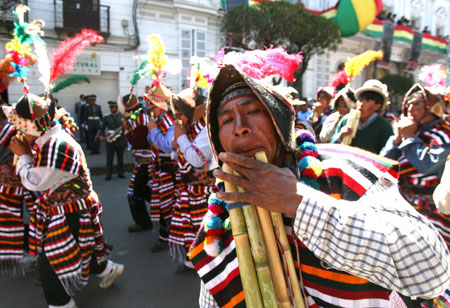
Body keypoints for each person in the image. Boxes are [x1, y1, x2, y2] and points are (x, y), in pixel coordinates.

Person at [188, 64, 450, 308]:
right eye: (226, 120)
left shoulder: (345, 173)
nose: (240, 128)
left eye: (253, 111)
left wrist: (298, 201)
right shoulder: (223, 212)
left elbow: (433, 273)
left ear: (279, 121)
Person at [5, 93, 124, 308]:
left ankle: (62, 303)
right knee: (85, 247)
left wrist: (23, 154)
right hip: (69, 207)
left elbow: (33, 182)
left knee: (50, 260)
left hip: (69, 209)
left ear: (33, 128)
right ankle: (107, 269)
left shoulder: (56, 145)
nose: (18, 132)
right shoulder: (50, 138)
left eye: (21, 127)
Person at [169, 87, 216, 273]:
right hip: (189, 190)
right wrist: (176, 144)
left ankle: (208, 265)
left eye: (180, 108)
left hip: (203, 190)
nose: (177, 114)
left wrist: (180, 138)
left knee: (204, 230)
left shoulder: (206, 128)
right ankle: (194, 261)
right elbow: (178, 158)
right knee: (190, 228)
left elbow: (196, 160)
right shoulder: (189, 127)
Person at [145, 83, 177, 252]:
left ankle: (170, 237)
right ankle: (166, 235)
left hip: (170, 170)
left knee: (169, 205)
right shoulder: (159, 120)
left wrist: (153, 131)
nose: (149, 108)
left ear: (160, 106)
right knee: (163, 203)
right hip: (160, 169)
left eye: (152, 104)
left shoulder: (171, 121)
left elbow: (167, 146)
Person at [119, 93, 153, 233]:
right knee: (139, 190)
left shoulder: (139, 116)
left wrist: (127, 131)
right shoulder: (139, 114)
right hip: (143, 160)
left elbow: (140, 142)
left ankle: (143, 221)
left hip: (146, 161)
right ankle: (161, 209)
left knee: (133, 193)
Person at [331, 79, 393, 154]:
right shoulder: (346, 120)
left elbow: (388, 152)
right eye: (360, 100)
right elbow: (332, 145)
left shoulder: (384, 125)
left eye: (367, 101)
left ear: (377, 106)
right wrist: (340, 136)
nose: (361, 104)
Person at [97, 101, 126, 181]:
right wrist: (98, 135)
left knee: (120, 158)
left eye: (113, 107)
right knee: (109, 158)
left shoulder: (122, 116)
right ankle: (108, 174)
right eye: (110, 107)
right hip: (110, 141)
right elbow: (102, 128)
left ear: (116, 108)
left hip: (120, 140)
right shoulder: (107, 117)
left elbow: (126, 128)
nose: (111, 109)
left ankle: (121, 173)